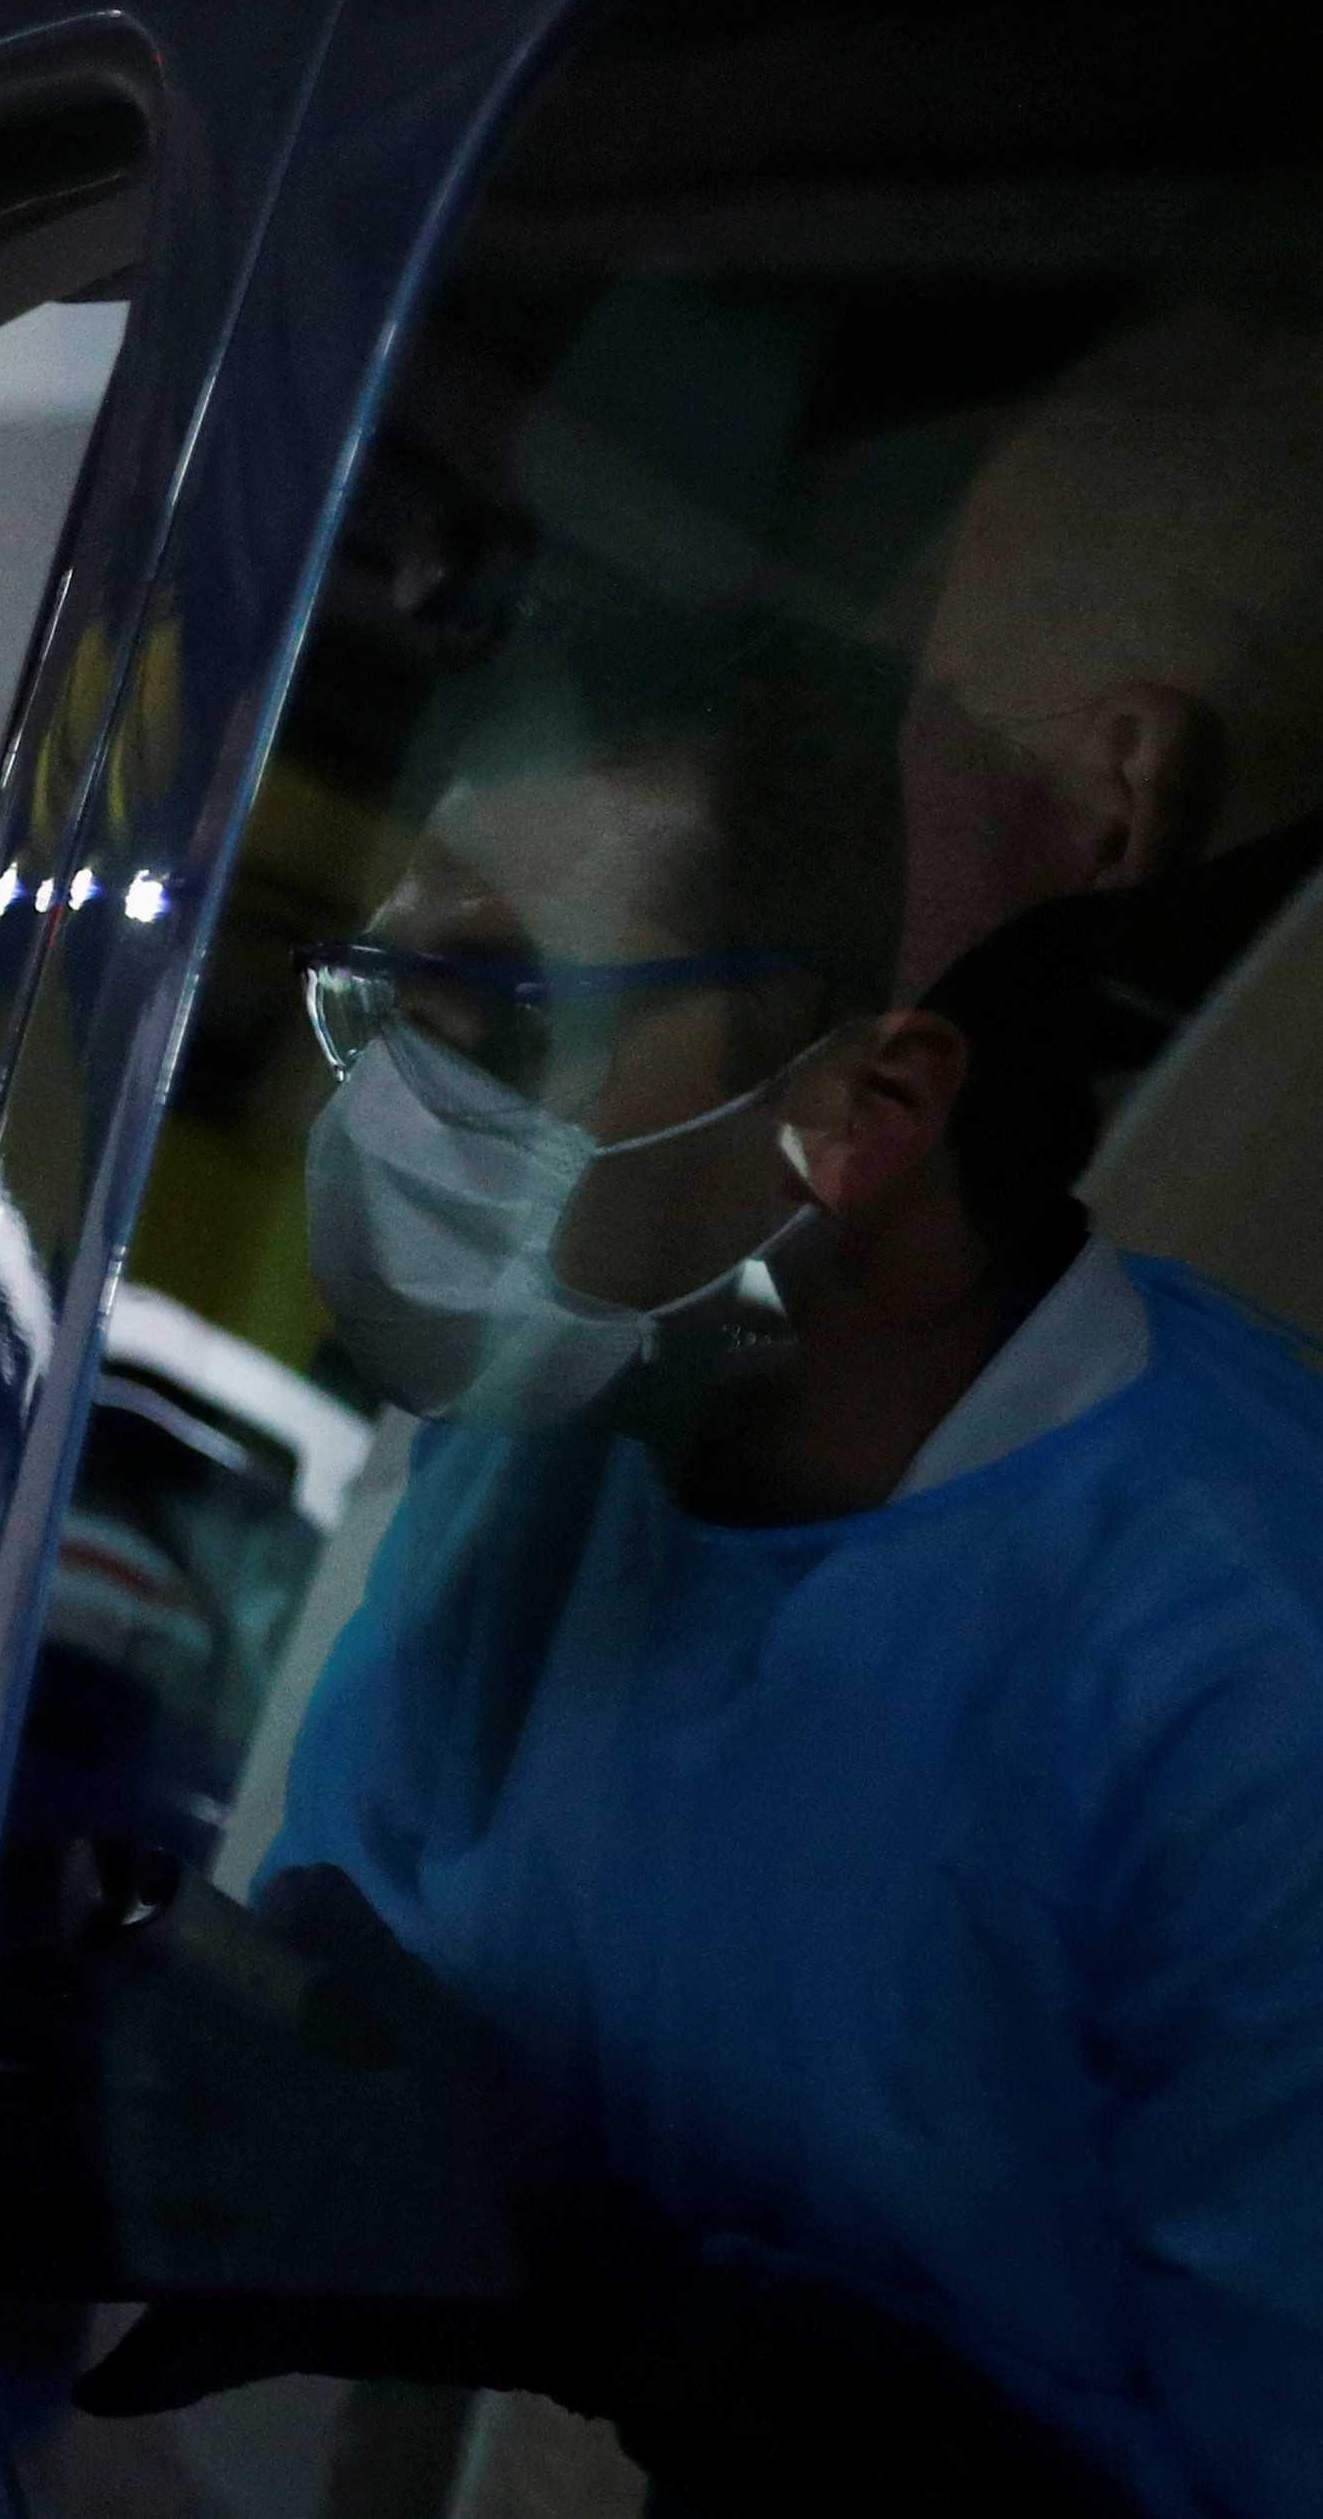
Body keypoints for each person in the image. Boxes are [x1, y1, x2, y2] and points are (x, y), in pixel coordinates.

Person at [103, 553, 1323, 2507]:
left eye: (494, 1020)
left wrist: (611, 2303)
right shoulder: (544, 1450)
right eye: (378, 1003)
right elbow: (337, 2047)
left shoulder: (1247, 1679)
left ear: (857, 1118)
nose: (387, 1111)